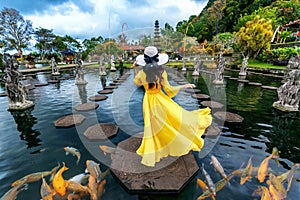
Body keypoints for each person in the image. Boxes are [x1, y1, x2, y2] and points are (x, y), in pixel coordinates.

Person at [133, 46, 212, 167]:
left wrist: (135, 69)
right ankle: (170, 142)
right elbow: (169, 90)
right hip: (160, 99)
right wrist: (183, 86)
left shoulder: (142, 73)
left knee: (152, 125)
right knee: (168, 120)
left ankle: (157, 145)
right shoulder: (161, 72)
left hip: (148, 101)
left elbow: (136, 82)